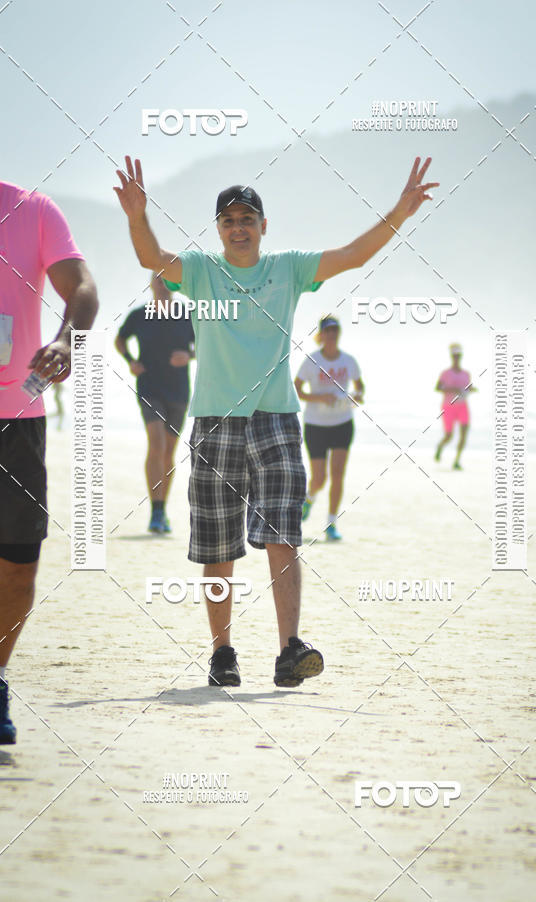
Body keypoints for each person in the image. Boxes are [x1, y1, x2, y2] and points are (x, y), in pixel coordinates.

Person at [114, 154, 438, 688]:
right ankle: (223, 653)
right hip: (216, 419)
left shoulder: (288, 269)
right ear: (219, 230)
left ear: (264, 226)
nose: (238, 228)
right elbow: (153, 255)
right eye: (228, 221)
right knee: (218, 545)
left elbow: (353, 256)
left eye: (247, 219)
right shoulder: (201, 271)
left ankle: (290, 648)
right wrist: (136, 216)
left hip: (277, 417)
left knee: (284, 530)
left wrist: (400, 213)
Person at [0, 181, 99, 744]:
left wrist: (66, 340)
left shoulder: (32, 210)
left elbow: (83, 287)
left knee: (17, 565)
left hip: (19, 418)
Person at [115, 273, 194, 533]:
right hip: (149, 387)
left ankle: (161, 510)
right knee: (157, 443)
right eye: (158, 279)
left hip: (179, 390)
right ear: (150, 284)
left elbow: (206, 342)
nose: (162, 284)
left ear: (176, 284)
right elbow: (120, 339)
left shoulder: (187, 314)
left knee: (169, 451)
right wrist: (131, 361)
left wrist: (189, 355)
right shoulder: (140, 315)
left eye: (167, 279)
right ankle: (156, 512)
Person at [294, 315, 364, 541]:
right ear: (321, 335)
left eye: (336, 330)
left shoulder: (348, 361)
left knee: (338, 475)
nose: (332, 334)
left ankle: (331, 523)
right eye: (328, 331)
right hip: (316, 425)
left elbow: (360, 388)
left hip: (342, 423)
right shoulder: (312, 361)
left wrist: (354, 397)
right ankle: (309, 499)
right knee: (320, 478)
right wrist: (318, 397)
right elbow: (297, 389)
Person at [434, 343, 476, 470]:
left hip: (462, 406)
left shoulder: (466, 374)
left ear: (461, 357)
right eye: (455, 356)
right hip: (449, 406)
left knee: (464, 434)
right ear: (452, 357)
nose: (457, 358)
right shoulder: (445, 373)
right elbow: (438, 388)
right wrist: (452, 389)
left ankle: (457, 460)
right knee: (449, 436)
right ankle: (440, 447)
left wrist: (471, 389)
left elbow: (468, 387)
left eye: (458, 356)